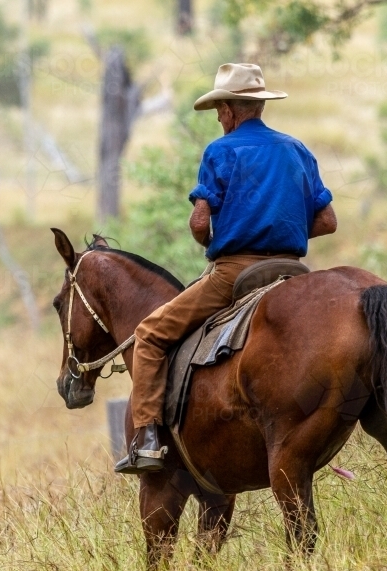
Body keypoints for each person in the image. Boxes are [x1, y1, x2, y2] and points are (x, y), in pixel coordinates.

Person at [115, 63, 339, 475]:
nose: (219, 117)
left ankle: (146, 439)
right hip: (292, 270)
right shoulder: (297, 149)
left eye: (220, 109)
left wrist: (214, 238)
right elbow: (327, 221)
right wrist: (279, 222)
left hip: (235, 273)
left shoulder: (220, 151)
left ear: (231, 111)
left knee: (148, 335)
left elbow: (201, 223)